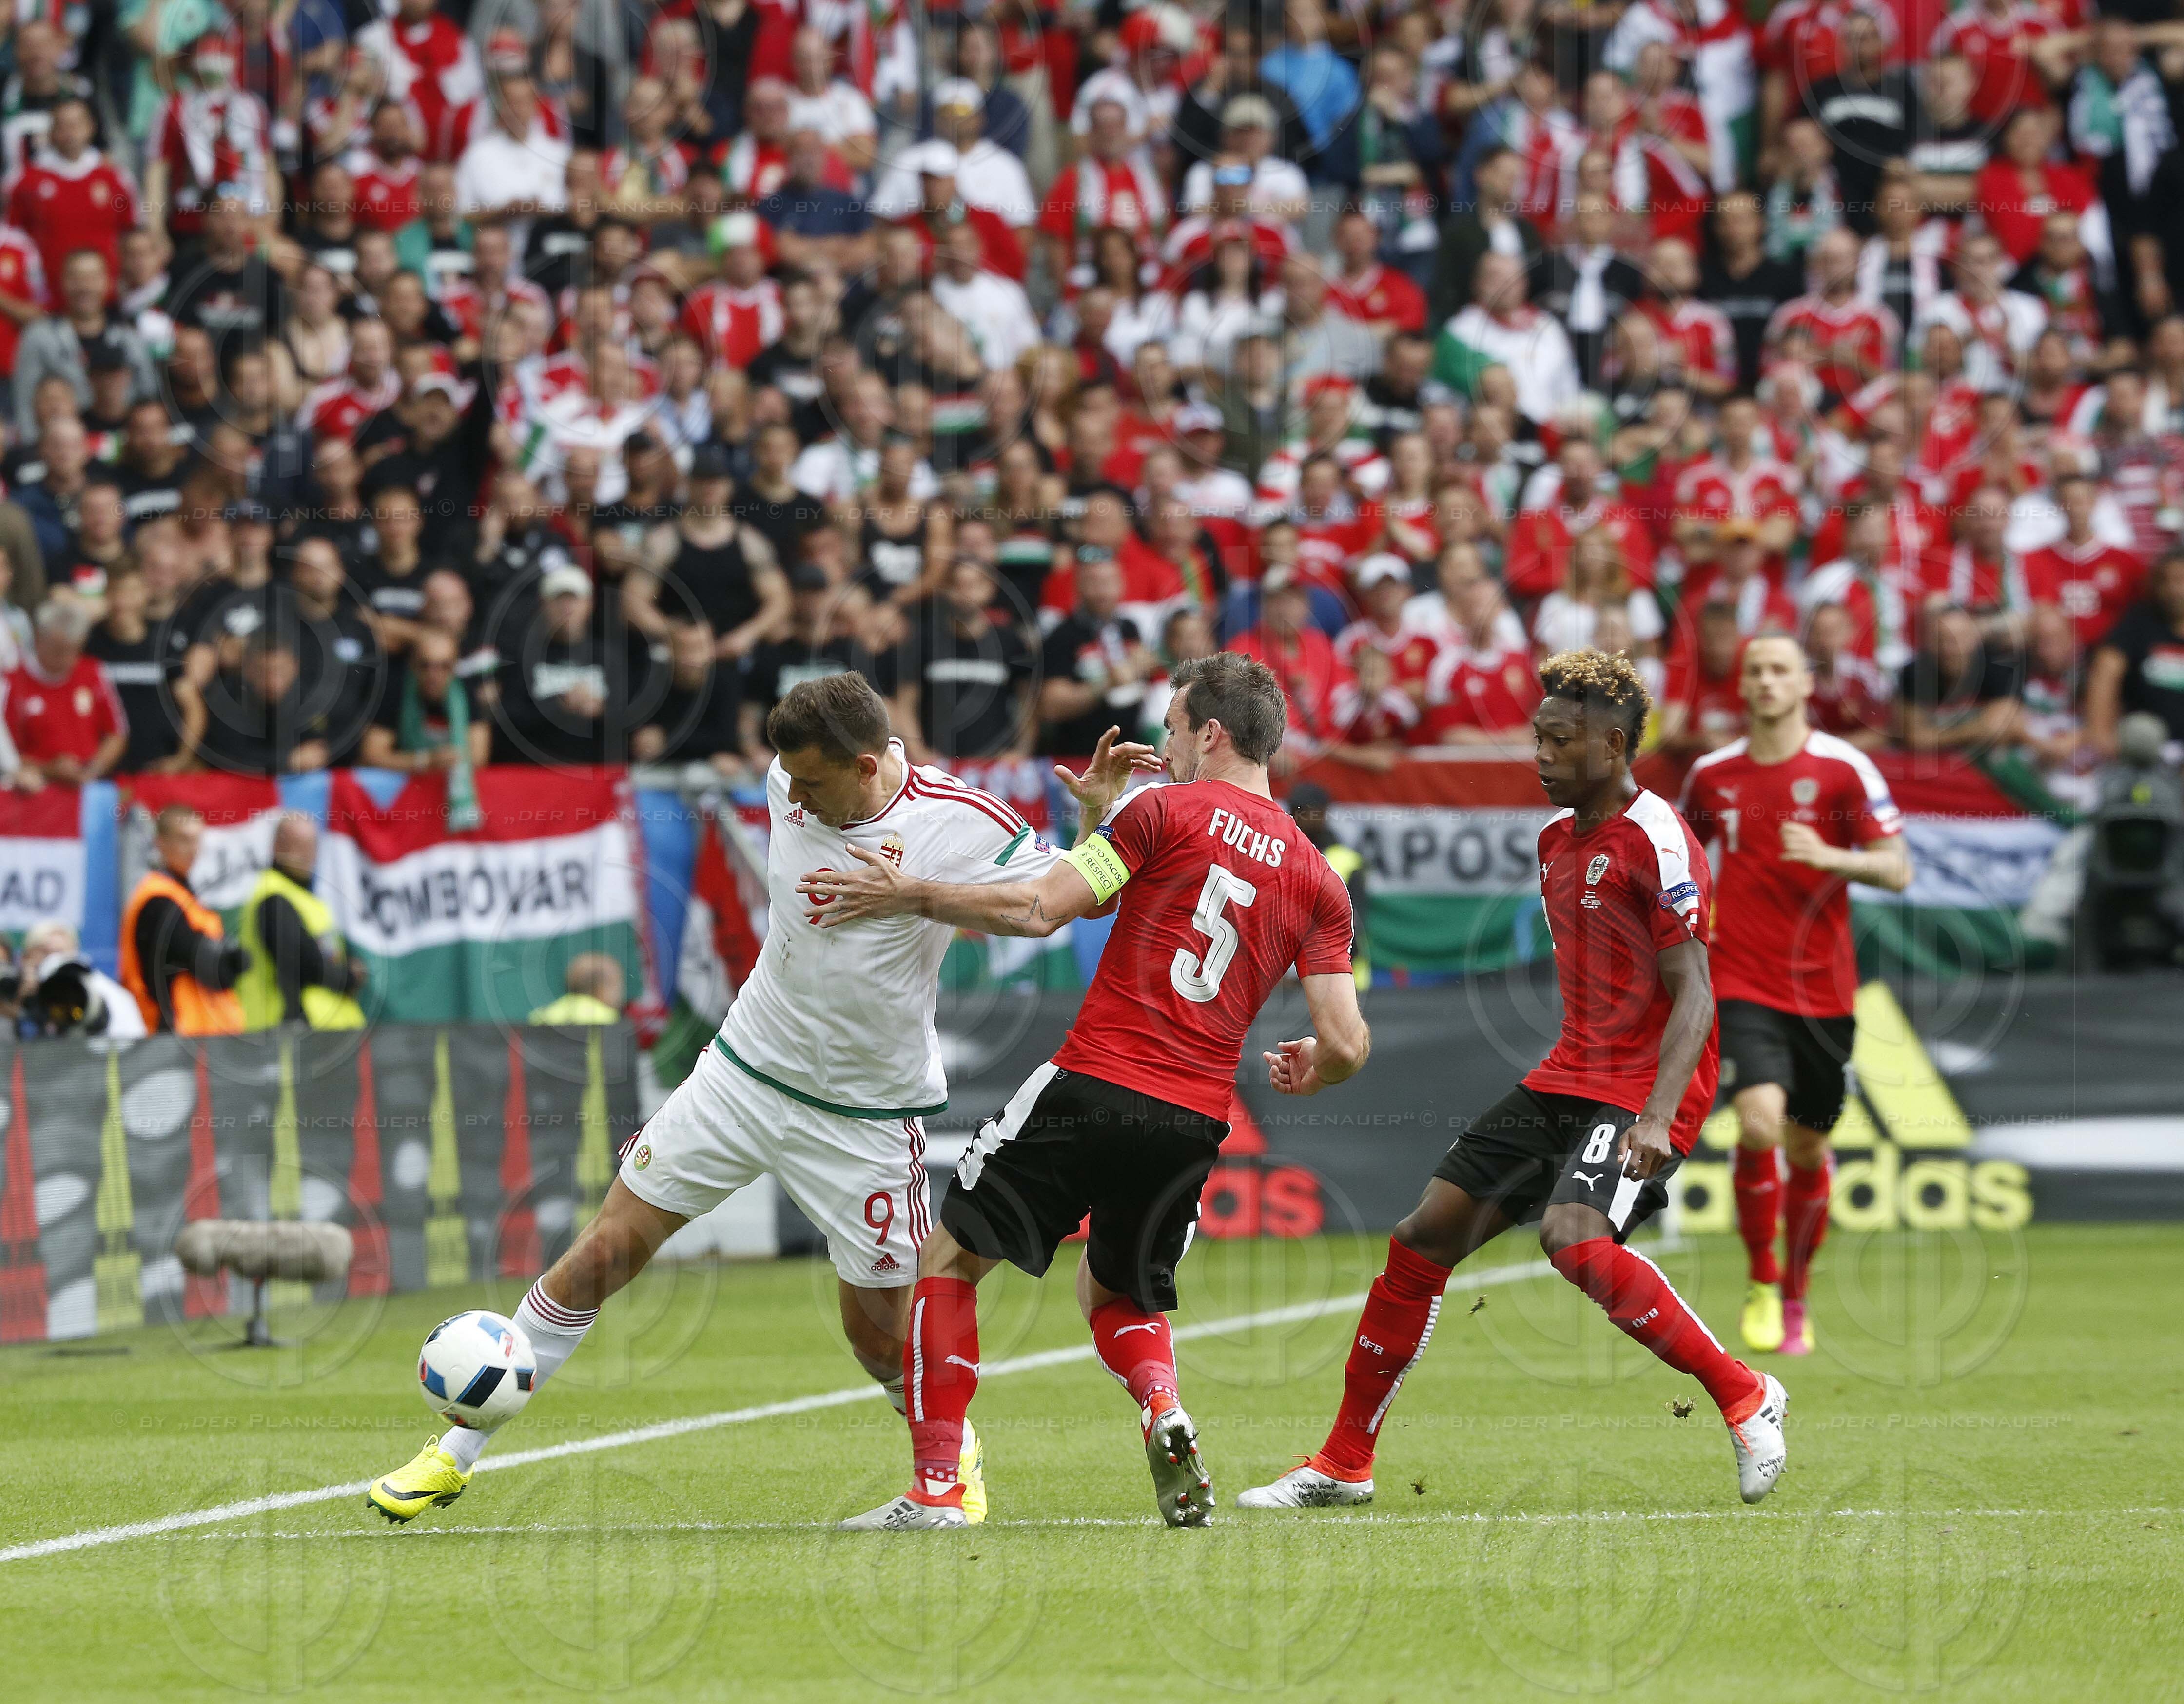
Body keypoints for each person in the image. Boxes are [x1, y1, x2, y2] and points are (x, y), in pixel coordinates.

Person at [364, 672, 1148, 1525]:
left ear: (865, 763)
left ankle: (945, 1451)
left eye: (813, 784)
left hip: (866, 1114)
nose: (795, 799)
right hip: (744, 1071)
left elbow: (1049, 907)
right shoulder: (785, 781)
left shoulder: (960, 820)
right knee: (601, 1255)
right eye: (791, 782)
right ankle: (454, 1453)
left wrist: (1082, 825)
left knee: (877, 1335)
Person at [803, 652, 1369, 1530]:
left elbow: (1040, 908)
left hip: (1094, 1080)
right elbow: (1345, 1041)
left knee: (948, 1260)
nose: (1167, 745)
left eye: (1175, 728)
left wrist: (905, 891)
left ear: (1211, 733)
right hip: (1193, 1120)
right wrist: (1312, 1068)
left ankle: (939, 1489)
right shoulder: (1315, 877)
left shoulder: (1165, 810)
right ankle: (1162, 1407)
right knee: (1117, 1295)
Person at [1239, 650, 1789, 1511]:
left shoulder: (1658, 836)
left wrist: (1654, 1115)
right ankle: (1345, 1463)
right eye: (1536, 737)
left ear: (1613, 745)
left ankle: (1746, 1395)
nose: (1539, 754)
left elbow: (1696, 992)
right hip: (1571, 1074)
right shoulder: (1552, 841)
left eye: (1559, 741)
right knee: (1421, 1238)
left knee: (1572, 1236)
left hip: (1646, 1086)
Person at [1678, 636, 1912, 1358]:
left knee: (1808, 1146)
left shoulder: (1845, 770)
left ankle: (1798, 1297)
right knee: (1758, 1125)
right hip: (1741, 975)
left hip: (1825, 989)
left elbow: (1899, 870)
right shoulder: (1713, 775)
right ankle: (1761, 1281)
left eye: (1782, 670)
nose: (1768, 682)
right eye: (1756, 671)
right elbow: (1682, 859)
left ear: (1807, 683)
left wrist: (1833, 856)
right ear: (1742, 687)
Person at [118, 803, 248, 1035]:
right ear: (160, 842)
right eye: (183, 840)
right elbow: (216, 969)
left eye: (197, 840)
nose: (192, 849)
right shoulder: (159, 900)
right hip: (173, 1036)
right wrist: (229, 958)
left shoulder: (184, 897)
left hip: (203, 1036)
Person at [235, 811, 367, 1030]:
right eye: (299, 846)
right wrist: (348, 977)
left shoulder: (304, 899)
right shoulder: (273, 898)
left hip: (325, 1030)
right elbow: (302, 962)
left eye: (311, 846)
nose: (307, 856)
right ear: (277, 847)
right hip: (289, 1032)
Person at [1, 598, 128, 787]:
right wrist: (49, 768)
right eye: (59, 650)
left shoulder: (93, 672)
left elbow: (117, 732)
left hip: (89, 783)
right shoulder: (12, 681)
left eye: (74, 649)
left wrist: (94, 769)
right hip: (36, 789)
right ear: (38, 638)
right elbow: (7, 750)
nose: (67, 658)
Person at [527, 954, 625, 1025]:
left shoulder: (542, 1016)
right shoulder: (607, 1018)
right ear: (600, 988)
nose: (621, 994)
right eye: (617, 986)